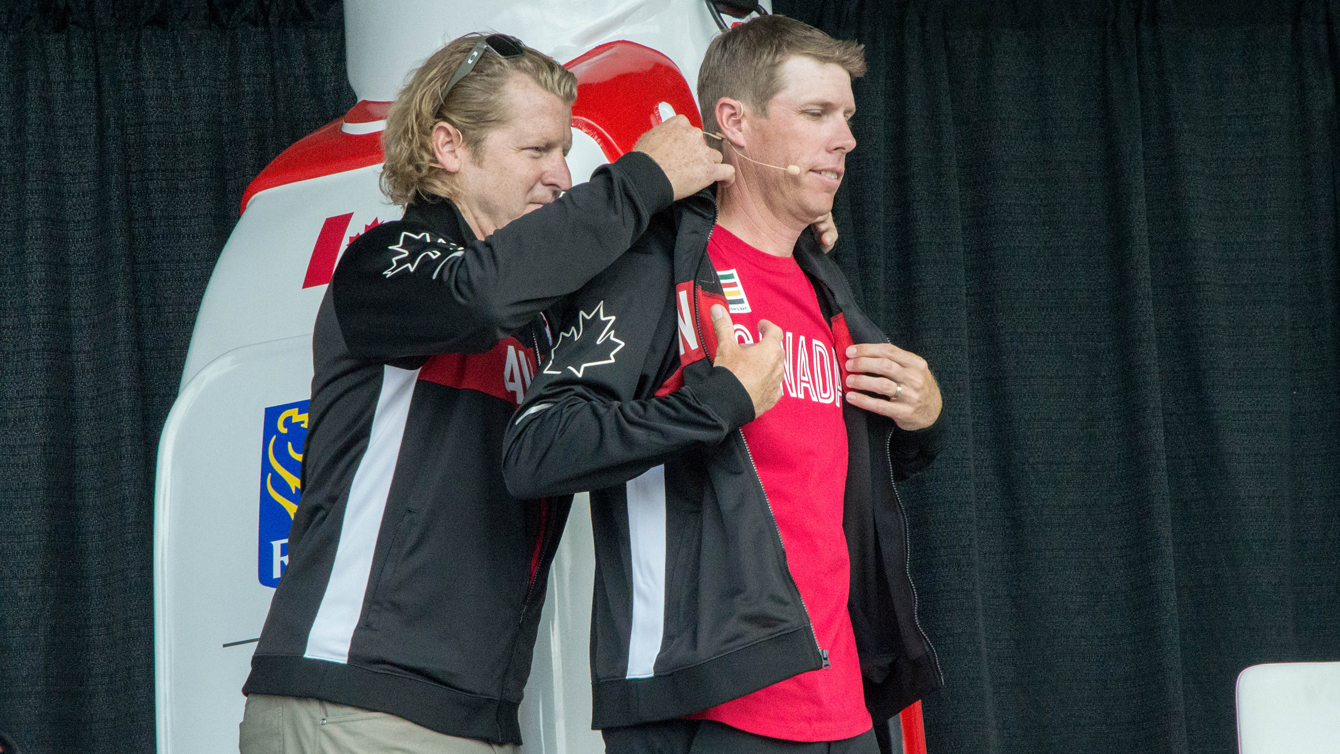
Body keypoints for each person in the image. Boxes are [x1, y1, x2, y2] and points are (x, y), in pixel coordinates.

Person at [237, 32, 740, 753]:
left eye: (565, 152)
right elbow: (478, 299)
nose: (561, 175)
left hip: (474, 717)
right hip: (352, 700)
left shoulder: (543, 315)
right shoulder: (385, 260)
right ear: (449, 147)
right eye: (536, 151)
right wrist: (640, 180)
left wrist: (771, 223)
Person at [503, 15, 945, 754]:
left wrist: (924, 418)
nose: (845, 139)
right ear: (734, 123)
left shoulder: (825, 285)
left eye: (847, 117)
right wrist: (716, 400)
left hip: (843, 705)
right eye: (815, 114)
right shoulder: (660, 267)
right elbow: (539, 446)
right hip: (711, 705)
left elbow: (829, 476)